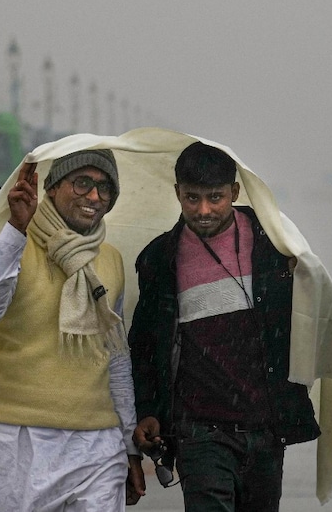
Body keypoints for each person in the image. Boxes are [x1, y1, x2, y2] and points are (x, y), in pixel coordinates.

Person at [129, 141, 320, 511]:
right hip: (199, 432)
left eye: (215, 197)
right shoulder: (159, 259)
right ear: (177, 194)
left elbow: (314, 319)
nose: (203, 210)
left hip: (265, 427)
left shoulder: (275, 245)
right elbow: (145, 345)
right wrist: (148, 409)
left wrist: (297, 280)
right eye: (192, 198)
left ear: (234, 192)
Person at [0, 149, 145, 511]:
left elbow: (117, 359)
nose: (94, 196)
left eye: (104, 188)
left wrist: (129, 447)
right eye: (83, 183)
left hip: (97, 446)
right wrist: (15, 229)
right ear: (53, 188)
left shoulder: (111, 260)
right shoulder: (15, 244)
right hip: (16, 442)